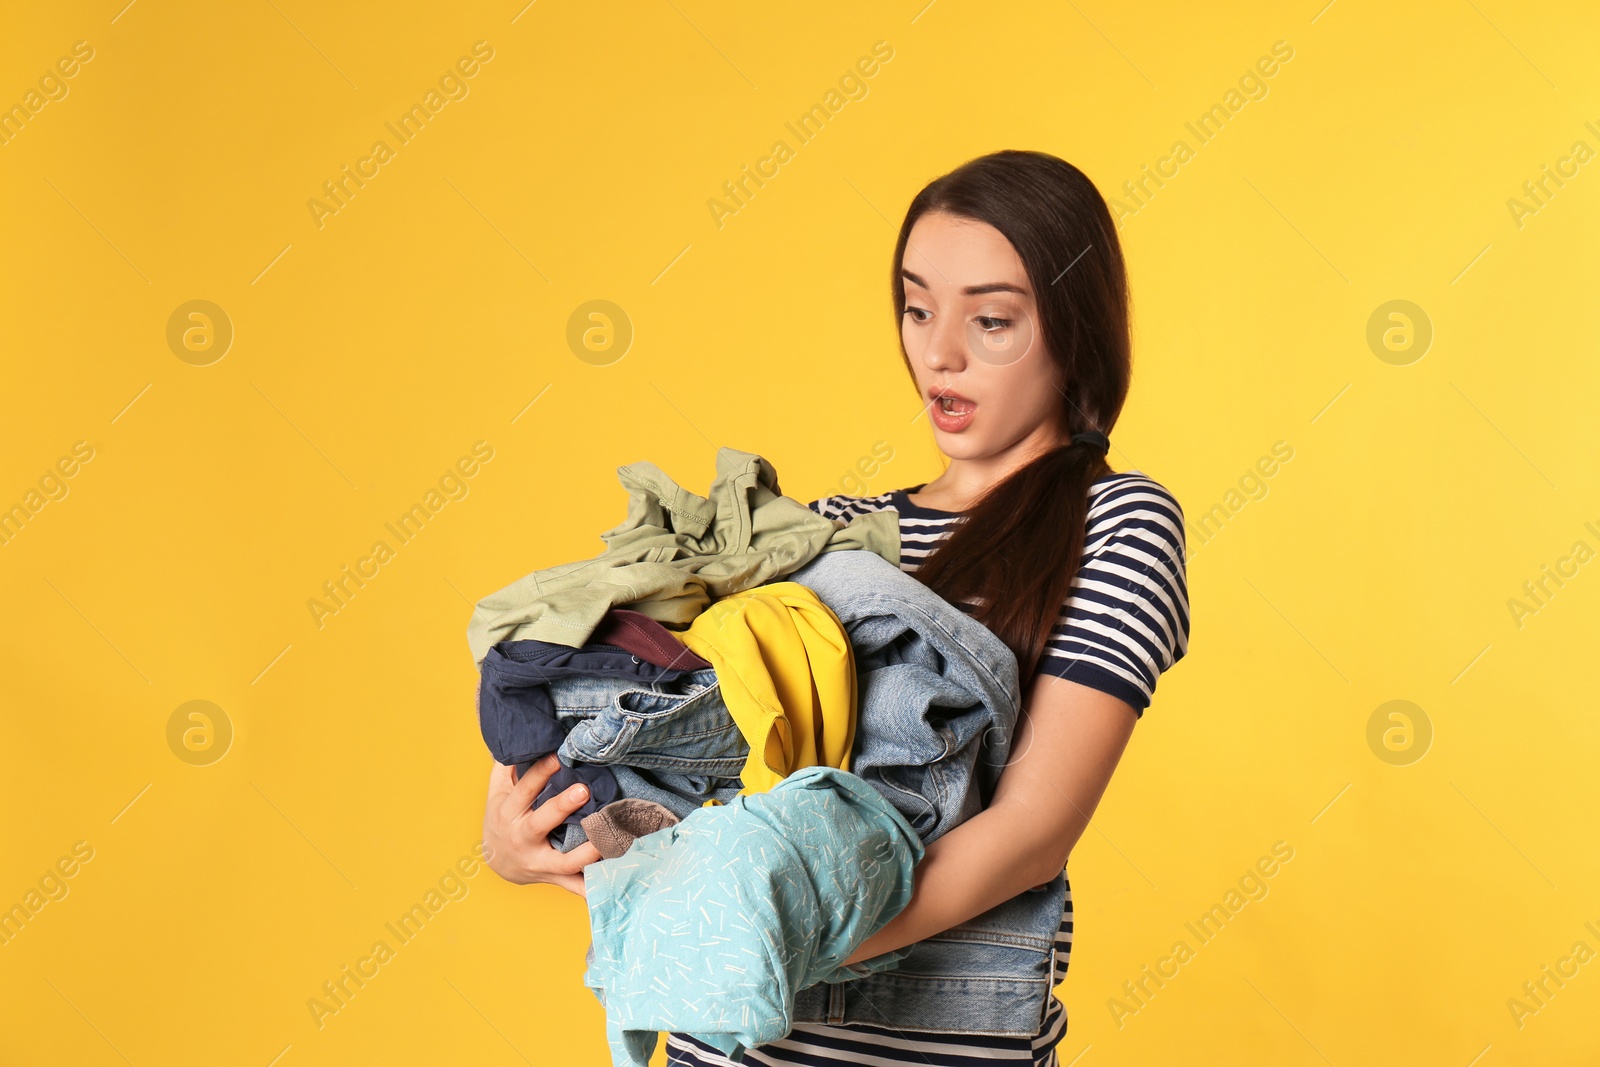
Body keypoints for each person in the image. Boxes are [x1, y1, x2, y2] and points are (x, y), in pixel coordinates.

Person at [481, 149, 1191, 1065]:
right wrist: (520, 841)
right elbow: (691, 765)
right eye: (918, 307)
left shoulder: (1116, 522)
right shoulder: (832, 532)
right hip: (731, 1040)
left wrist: (772, 935)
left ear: (1073, 329)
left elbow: (1029, 833)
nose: (940, 352)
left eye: (992, 319)